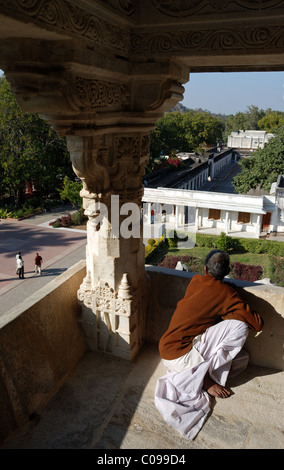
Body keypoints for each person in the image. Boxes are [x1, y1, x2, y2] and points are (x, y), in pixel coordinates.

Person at [155, 249, 263, 440]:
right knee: (240, 327)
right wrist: (231, 305)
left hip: (166, 350)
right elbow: (257, 323)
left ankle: (201, 375)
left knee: (241, 359)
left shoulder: (196, 280)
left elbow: (209, 302)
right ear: (227, 270)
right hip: (182, 355)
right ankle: (205, 379)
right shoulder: (227, 294)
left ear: (204, 268)